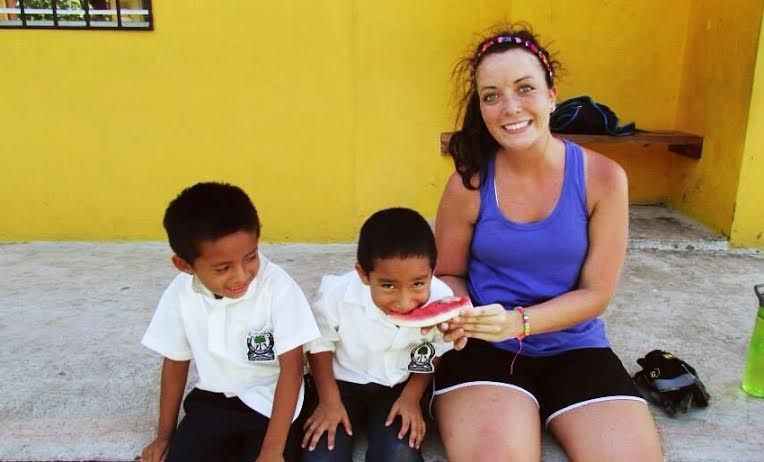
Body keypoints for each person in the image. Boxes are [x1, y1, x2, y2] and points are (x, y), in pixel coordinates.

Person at [432, 25, 664, 461]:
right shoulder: (469, 183)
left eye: (525, 89)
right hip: (485, 349)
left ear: (552, 95)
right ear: (480, 108)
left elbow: (596, 293)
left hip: (576, 345)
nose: (510, 108)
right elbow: (449, 274)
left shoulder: (605, 179)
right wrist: (463, 314)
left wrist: (518, 322)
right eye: (491, 95)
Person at [140, 182, 320, 462]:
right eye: (223, 268)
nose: (241, 276)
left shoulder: (279, 287)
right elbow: (175, 361)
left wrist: (272, 451)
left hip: (272, 404)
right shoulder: (179, 293)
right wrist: (164, 435)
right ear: (185, 265)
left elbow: (292, 368)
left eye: (250, 257)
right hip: (214, 401)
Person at [301, 207, 455, 462]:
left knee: (399, 455)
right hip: (340, 386)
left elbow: (434, 351)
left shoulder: (441, 298)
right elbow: (319, 344)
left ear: (432, 270)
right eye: (388, 286)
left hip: (399, 388)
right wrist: (328, 400)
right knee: (321, 455)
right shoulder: (336, 295)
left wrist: (412, 397)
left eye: (418, 283)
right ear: (363, 273)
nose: (405, 302)